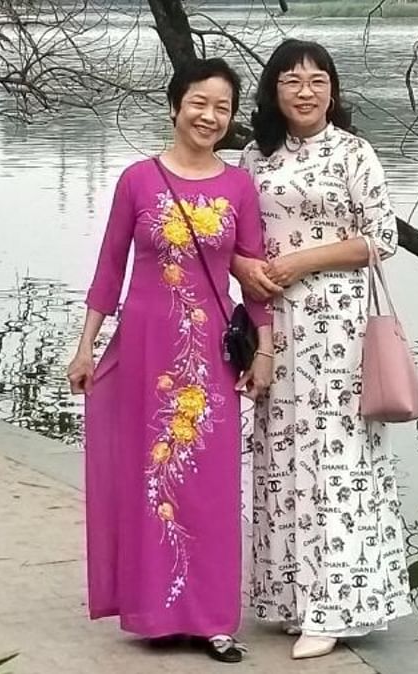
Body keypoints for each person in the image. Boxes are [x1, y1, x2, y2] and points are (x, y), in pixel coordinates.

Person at [67, 57, 274, 664]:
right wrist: (86, 346)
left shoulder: (239, 185)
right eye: (199, 103)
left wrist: (263, 350)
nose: (210, 116)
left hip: (209, 357)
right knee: (148, 477)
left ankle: (213, 619)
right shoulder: (137, 179)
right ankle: (155, 612)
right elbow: (110, 268)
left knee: (210, 486)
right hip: (144, 350)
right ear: (176, 104)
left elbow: (256, 276)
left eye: (223, 107)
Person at [234, 39, 413, 660]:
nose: (305, 91)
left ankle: (336, 604)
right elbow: (235, 235)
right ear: (274, 91)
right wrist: (247, 268)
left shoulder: (353, 151)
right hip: (274, 327)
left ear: (333, 90)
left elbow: (380, 237)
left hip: (336, 324)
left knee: (337, 458)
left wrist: (298, 261)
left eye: (317, 80)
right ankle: (290, 596)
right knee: (281, 454)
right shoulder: (255, 157)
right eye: (291, 80)